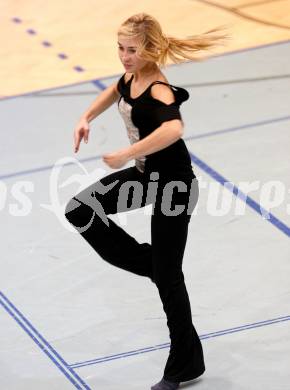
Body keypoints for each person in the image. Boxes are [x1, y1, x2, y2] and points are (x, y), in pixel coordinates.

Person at [64, 13, 229, 390]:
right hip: (146, 178)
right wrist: (85, 115)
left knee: (169, 278)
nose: (124, 56)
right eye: (120, 49)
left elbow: (174, 128)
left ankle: (185, 364)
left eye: (132, 50)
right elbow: (116, 88)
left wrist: (127, 151)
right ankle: (154, 264)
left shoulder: (158, 88)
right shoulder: (132, 76)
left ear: (150, 49)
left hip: (174, 186)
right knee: (80, 209)